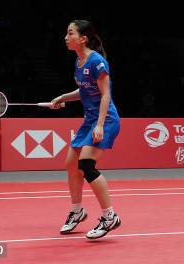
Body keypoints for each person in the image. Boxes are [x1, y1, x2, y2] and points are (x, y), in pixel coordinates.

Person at [50, 19, 121, 239]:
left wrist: (100, 124)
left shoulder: (96, 61)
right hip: (89, 120)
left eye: (70, 33)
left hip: (105, 119)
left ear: (83, 38)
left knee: (86, 165)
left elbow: (105, 94)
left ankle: (110, 217)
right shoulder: (78, 62)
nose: (65, 37)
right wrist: (63, 98)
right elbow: (83, 91)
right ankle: (77, 211)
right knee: (71, 165)